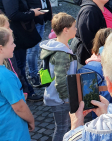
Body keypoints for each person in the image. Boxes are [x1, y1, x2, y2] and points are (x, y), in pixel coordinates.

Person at [0, 0, 44, 101]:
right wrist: (32, 13)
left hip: (16, 33)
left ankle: (26, 89)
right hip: (16, 34)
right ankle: (26, 91)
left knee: (19, 64)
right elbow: (13, 14)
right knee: (18, 65)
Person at [0, 27, 35, 141]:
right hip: (12, 131)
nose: (15, 46)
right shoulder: (4, 75)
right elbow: (19, 107)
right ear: (0, 48)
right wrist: (31, 120)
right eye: (12, 43)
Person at [40, 13, 78, 141]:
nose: (76, 29)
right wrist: (66, 98)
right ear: (65, 30)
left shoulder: (54, 46)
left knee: (62, 126)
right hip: (60, 99)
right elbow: (61, 80)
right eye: (74, 27)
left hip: (54, 96)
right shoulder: (61, 53)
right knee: (62, 127)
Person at [71, 0, 112, 66]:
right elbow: (87, 39)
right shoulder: (89, 12)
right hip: (94, 60)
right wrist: (98, 56)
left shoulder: (106, 7)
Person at [21, 0, 53, 87]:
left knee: (39, 50)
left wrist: (48, 15)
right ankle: (33, 76)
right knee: (32, 50)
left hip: (41, 20)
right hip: (33, 21)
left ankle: (41, 75)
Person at [0, 13, 29, 99]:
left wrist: (24, 89)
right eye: (8, 28)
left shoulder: (8, 52)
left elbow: (16, 70)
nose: (11, 31)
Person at [77, 28, 112, 105]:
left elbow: (88, 99)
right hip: (106, 111)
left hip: (90, 111)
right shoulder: (108, 68)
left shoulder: (90, 63)